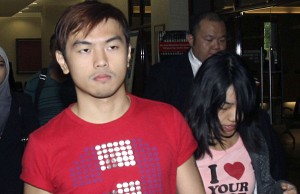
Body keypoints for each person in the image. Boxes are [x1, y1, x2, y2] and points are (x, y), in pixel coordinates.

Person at [20, 2, 205, 194]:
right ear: (63, 61)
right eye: (85, 50)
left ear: (128, 55)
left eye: (112, 46)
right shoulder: (44, 145)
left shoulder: (169, 120)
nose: (101, 61)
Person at [185, 51, 297, 194]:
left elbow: (265, 186)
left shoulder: (254, 138)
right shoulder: (184, 145)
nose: (235, 117)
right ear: (205, 102)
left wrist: (280, 189)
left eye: (242, 106)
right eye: (224, 107)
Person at [144, 12, 227, 113]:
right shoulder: (163, 74)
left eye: (222, 40)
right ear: (191, 40)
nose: (217, 46)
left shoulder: (232, 72)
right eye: (209, 40)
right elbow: (154, 117)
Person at [0, 46, 39, 194]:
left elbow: (35, 143)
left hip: (16, 182)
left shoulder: (22, 103)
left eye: (0, 65)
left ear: (7, 69)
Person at [24, 34, 76, 126]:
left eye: (64, 49)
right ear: (50, 52)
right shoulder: (35, 83)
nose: (61, 54)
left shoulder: (80, 81)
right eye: (57, 49)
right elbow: (27, 119)